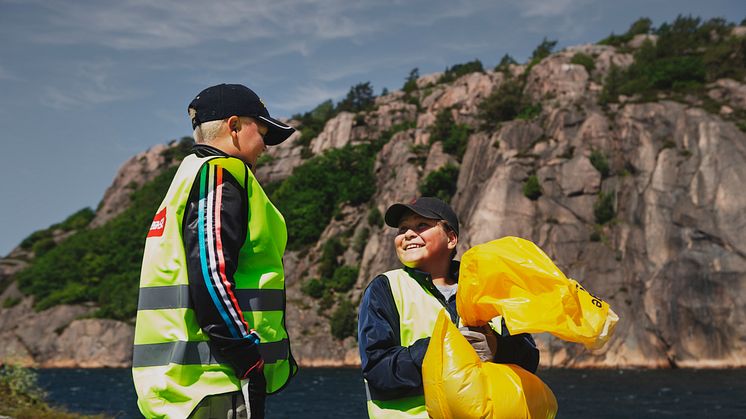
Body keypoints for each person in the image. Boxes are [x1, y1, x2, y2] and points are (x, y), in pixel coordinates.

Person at [132, 83, 298, 419]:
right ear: (234, 126)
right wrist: (246, 357)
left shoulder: (187, 177)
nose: (266, 145)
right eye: (262, 131)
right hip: (217, 380)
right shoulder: (219, 175)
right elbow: (211, 272)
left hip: (184, 383)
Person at [357, 197, 540, 418]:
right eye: (402, 228)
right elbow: (378, 369)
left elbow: (529, 358)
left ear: (451, 238)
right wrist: (443, 349)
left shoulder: (488, 289)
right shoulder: (385, 288)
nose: (407, 234)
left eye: (421, 225)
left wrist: (496, 347)